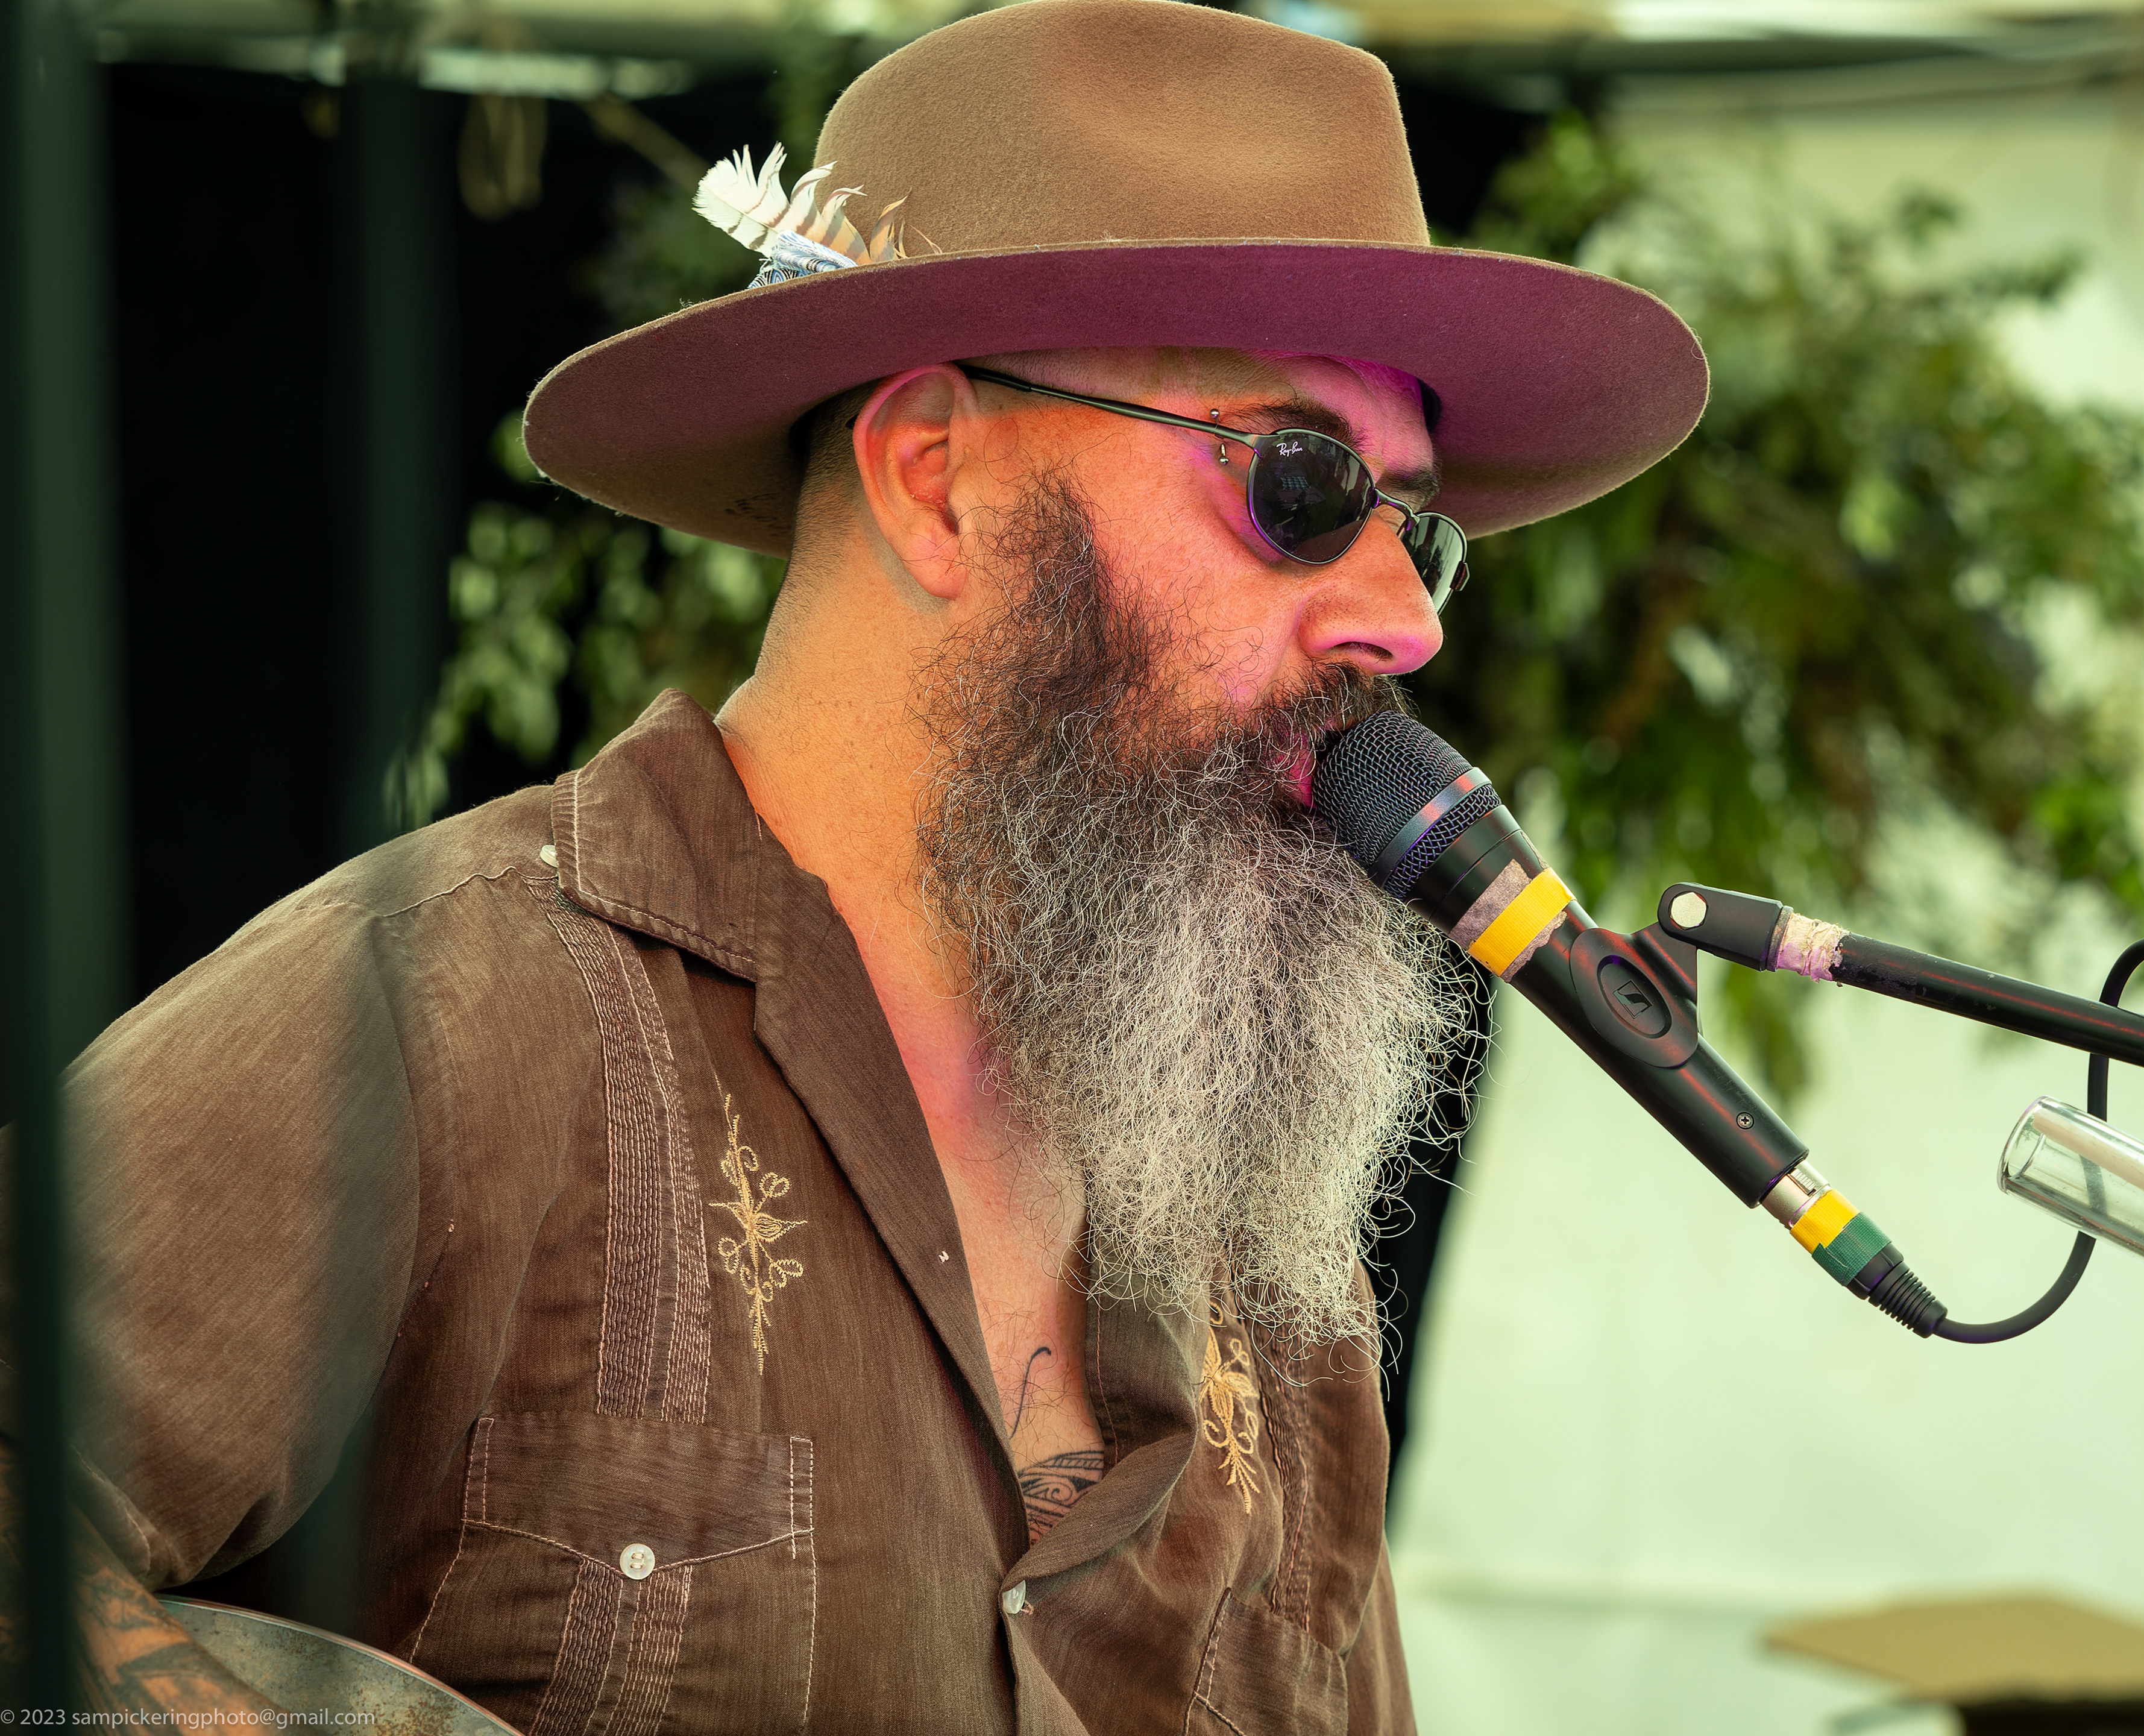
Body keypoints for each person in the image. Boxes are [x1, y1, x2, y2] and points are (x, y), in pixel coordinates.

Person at [0, 0, 1704, 1726]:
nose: (1406, 620)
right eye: (1305, 481)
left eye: (1419, 529)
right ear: (934, 479)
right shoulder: (445, 1013)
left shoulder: (1260, 1231)